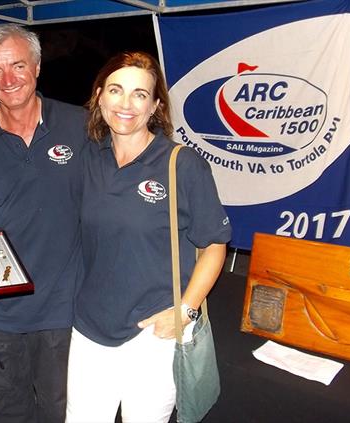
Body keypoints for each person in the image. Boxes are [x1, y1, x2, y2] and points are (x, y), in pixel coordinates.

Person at [64, 52, 231, 422]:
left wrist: (184, 312)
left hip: (154, 333)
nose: (126, 104)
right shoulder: (88, 158)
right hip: (90, 328)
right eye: (116, 90)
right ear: (99, 96)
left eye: (140, 94)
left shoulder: (182, 165)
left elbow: (214, 246)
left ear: (155, 105)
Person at [0, 25, 86, 423]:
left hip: (65, 311)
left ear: (37, 67)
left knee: (64, 412)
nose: (8, 80)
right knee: (9, 412)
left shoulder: (81, 126)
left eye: (18, 65)